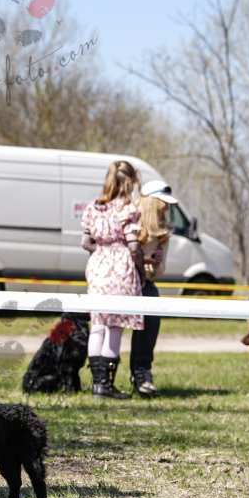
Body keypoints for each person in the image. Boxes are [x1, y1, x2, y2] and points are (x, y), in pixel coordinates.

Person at [81, 161, 143, 399]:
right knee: (115, 326)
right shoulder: (126, 208)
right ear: (129, 182)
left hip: (97, 267)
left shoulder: (93, 207)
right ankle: (106, 384)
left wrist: (102, 250)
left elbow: (86, 242)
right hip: (120, 268)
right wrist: (141, 271)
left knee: (97, 324)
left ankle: (97, 384)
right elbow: (134, 246)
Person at [129, 180, 178, 398]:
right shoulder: (128, 222)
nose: (166, 208)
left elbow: (159, 272)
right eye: (162, 202)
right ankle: (104, 377)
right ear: (151, 202)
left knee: (151, 316)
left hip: (144, 282)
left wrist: (155, 264)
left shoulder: (163, 234)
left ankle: (142, 373)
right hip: (121, 282)